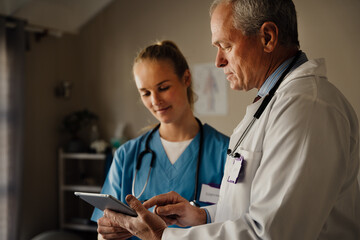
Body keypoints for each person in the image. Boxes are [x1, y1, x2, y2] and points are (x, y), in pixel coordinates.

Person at [97, 0, 360, 239]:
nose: (219, 61)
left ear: (267, 37)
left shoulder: (306, 109)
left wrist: (163, 236)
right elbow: (250, 207)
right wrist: (204, 216)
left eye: (226, 46)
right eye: (145, 92)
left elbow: (270, 233)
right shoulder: (272, 104)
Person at [93, 40, 229, 239]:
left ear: (186, 78)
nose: (155, 101)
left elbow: (238, 224)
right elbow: (103, 232)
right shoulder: (127, 155)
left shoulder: (226, 152)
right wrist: (106, 234)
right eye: (146, 93)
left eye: (163, 87)